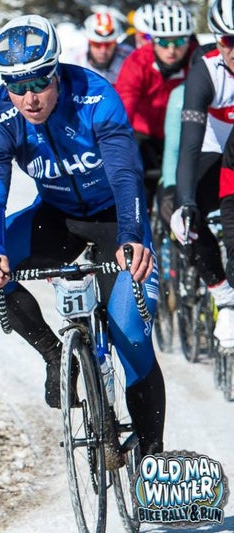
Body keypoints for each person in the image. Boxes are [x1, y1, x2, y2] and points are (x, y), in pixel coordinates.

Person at [0, 14, 166, 462]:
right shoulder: (1, 114)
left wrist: (133, 235)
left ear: (56, 70)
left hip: (117, 220)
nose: (28, 97)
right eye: (15, 85)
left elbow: (124, 173)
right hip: (56, 217)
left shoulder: (96, 96)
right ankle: (55, 355)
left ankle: (153, 456)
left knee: (130, 331)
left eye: (38, 81)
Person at [171, 0, 234, 348]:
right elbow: (189, 146)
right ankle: (221, 292)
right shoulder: (205, 71)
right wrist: (185, 202)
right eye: (228, 40)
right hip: (211, 148)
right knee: (188, 221)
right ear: (216, 39)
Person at [116, 1, 197, 211]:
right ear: (152, 40)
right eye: (163, 41)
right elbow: (124, 105)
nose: (172, 49)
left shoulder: (198, 61)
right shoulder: (137, 62)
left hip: (183, 134)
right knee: (138, 193)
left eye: (179, 41)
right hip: (144, 134)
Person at [73, 9, 133, 86]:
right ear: (89, 41)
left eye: (109, 44)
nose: (103, 51)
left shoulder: (129, 57)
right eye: (96, 44)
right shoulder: (73, 60)